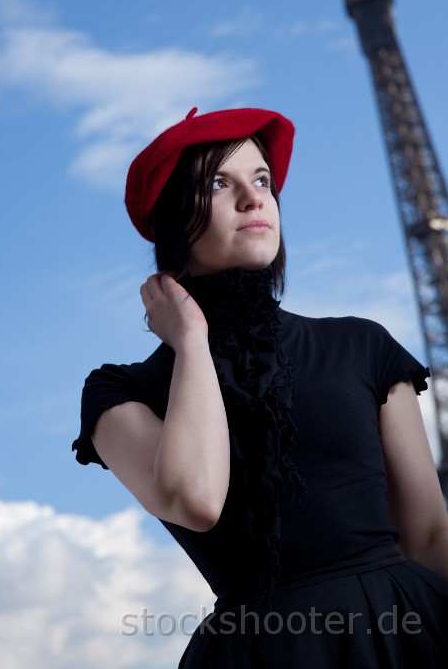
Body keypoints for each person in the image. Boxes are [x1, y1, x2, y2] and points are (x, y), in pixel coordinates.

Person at [72, 106, 448, 667]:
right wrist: (192, 342)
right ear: (174, 220)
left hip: (407, 632)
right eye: (219, 184)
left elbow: (429, 535)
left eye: (262, 181)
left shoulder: (361, 346)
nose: (254, 199)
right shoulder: (120, 393)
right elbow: (194, 500)